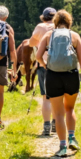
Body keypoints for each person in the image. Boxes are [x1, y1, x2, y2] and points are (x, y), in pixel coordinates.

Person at [35, 9, 81, 157]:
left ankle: (63, 146)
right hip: (71, 75)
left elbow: (38, 56)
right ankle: (72, 137)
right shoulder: (74, 36)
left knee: (58, 114)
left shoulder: (48, 35)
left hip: (53, 76)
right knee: (69, 109)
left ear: (55, 22)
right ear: (69, 22)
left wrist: (46, 66)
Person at [27, 7, 56, 136]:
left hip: (43, 64)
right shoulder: (62, 27)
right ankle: (57, 123)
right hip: (60, 65)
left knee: (46, 98)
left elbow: (31, 43)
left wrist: (40, 41)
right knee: (58, 97)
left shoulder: (40, 26)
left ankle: (46, 126)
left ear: (43, 17)